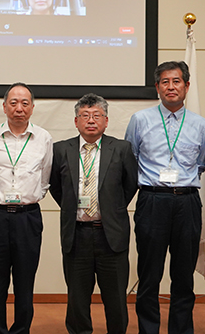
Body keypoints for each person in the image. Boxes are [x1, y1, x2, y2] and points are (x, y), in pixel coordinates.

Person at [124, 61, 205, 334]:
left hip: (187, 201)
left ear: (186, 86)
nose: (171, 87)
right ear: (157, 87)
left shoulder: (200, 124)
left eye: (176, 81)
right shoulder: (140, 119)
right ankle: (148, 330)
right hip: (152, 200)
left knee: (183, 276)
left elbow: (200, 163)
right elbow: (131, 159)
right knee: (149, 275)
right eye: (165, 82)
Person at [49, 93, 138, 334]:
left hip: (111, 236)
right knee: (77, 300)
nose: (91, 120)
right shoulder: (60, 149)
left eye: (96, 115)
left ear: (106, 121)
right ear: (76, 121)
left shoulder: (121, 148)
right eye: (85, 115)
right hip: (76, 236)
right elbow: (57, 189)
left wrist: (110, 209)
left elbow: (130, 186)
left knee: (116, 300)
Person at [0, 82, 53, 334]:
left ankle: (21, 330)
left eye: (24, 103)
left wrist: (27, 200)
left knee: (25, 283)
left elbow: (44, 182)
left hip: (27, 218)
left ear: (32, 107)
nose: (19, 108)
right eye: (13, 102)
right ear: (4, 106)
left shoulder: (44, 138)